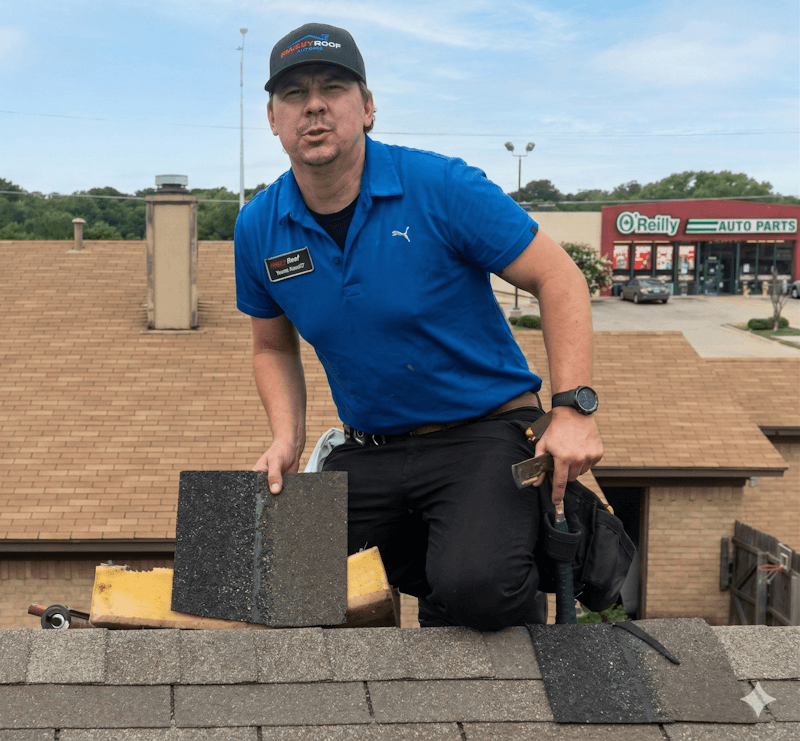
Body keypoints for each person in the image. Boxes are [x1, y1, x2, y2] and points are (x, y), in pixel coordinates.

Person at [234, 23, 603, 630]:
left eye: (333, 86)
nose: (315, 105)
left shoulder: (441, 186)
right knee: (282, 578)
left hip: (482, 432)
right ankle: (459, 573)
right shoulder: (258, 226)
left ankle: (497, 563)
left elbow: (560, 280)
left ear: (369, 106)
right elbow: (272, 347)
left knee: (480, 591)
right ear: (274, 119)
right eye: (294, 94)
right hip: (370, 446)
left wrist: (572, 410)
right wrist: (286, 440)